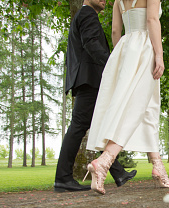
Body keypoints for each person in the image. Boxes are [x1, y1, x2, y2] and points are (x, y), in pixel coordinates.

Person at [84, 0, 169, 195]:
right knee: (137, 106)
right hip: (145, 47)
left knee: (149, 106)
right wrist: (159, 54)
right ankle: (105, 161)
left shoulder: (117, 1)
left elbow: (116, 31)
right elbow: (151, 19)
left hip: (125, 49)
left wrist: (123, 56)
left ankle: (158, 167)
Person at [54, 0, 137, 193]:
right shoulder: (87, 14)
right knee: (78, 126)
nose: (104, 0)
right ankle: (63, 178)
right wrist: (113, 67)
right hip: (89, 79)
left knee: (98, 126)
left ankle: (118, 172)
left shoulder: (85, 15)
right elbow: (91, 44)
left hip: (88, 79)